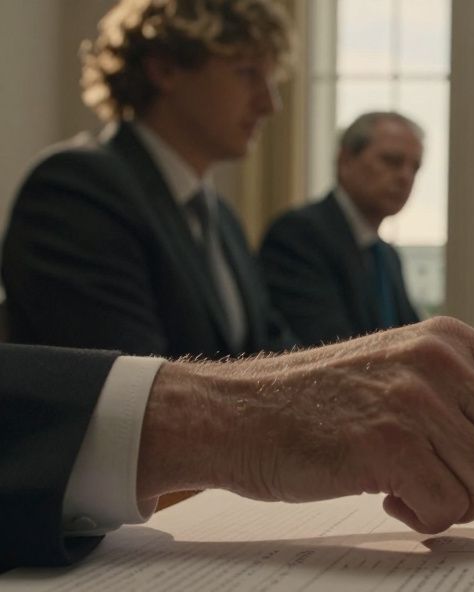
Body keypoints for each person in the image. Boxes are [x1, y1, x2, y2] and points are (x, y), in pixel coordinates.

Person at [0, 318, 474, 569]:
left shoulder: (215, 217)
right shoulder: (78, 182)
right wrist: (215, 415)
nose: (273, 99)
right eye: (248, 69)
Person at [1, 0, 295, 359]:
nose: (270, 104)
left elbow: (272, 357)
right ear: (165, 69)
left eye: (270, 78)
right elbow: (133, 392)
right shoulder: (76, 189)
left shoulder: (222, 219)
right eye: (247, 72)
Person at [260, 112, 424, 345]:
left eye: (415, 167)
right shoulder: (298, 235)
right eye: (391, 161)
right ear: (345, 161)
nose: (406, 177)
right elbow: (328, 349)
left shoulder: (387, 256)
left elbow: (414, 341)